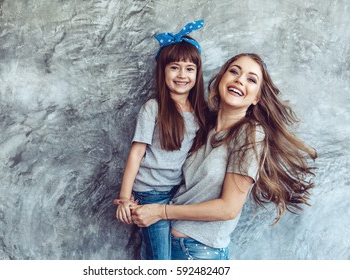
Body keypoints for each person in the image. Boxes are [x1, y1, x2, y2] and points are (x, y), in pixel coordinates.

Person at [128, 53, 317, 260]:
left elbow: (228, 208)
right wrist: (132, 196)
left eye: (251, 79)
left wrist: (161, 212)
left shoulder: (250, 134)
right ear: (221, 80)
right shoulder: (203, 125)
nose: (239, 80)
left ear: (257, 98)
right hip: (168, 243)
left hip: (198, 254)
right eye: (234, 71)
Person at [114, 20, 208, 260]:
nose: (182, 75)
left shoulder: (200, 113)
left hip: (177, 193)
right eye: (174, 67)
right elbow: (136, 154)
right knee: (161, 260)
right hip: (151, 192)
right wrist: (125, 199)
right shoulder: (153, 108)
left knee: (172, 252)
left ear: (197, 74)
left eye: (189, 69)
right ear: (163, 71)